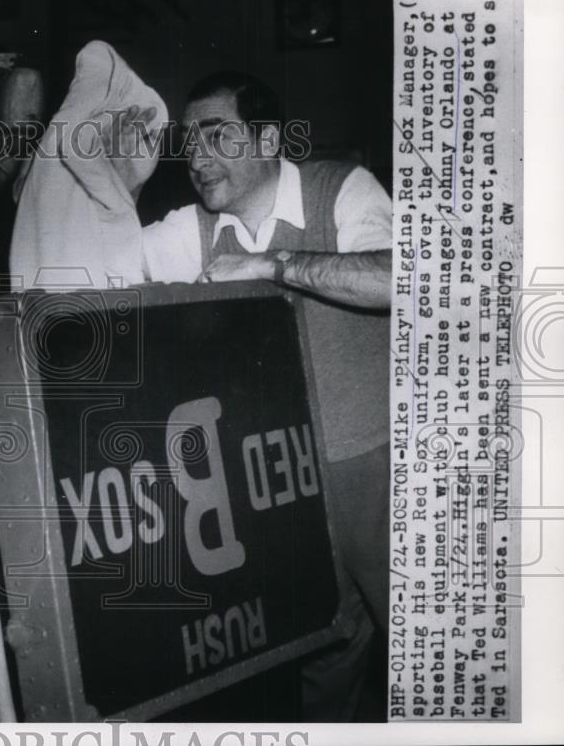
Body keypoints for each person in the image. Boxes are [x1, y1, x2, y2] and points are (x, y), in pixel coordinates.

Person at [140, 70, 392, 720]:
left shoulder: (338, 188)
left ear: (268, 137)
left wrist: (272, 264)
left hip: (378, 464)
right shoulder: (185, 230)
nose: (195, 154)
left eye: (215, 133)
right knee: (323, 653)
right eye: (187, 140)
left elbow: (403, 276)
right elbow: (83, 274)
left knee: (427, 647)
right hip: (282, 489)